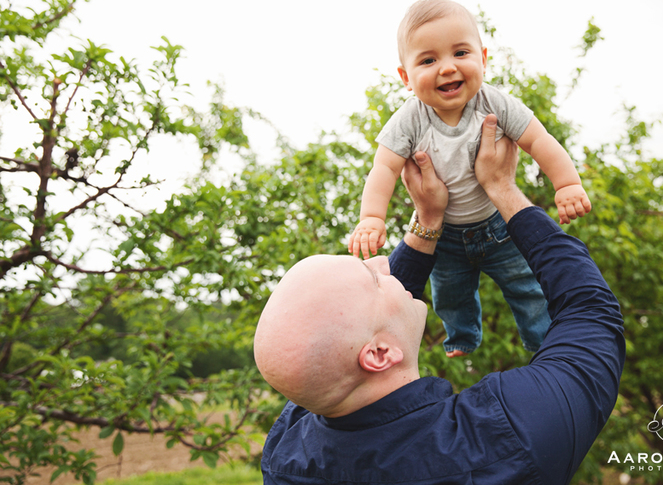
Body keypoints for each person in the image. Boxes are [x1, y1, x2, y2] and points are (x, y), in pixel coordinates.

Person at [254, 115, 625, 485]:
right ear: (379, 354)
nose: (385, 262)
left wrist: (428, 219)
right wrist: (502, 187)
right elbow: (592, 315)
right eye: (372, 278)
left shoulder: (289, 453)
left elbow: (337, 348)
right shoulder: (505, 436)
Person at [348, 0, 592, 357]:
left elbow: (538, 140)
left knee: (526, 286)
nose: (447, 68)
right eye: (428, 60)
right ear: (406, 77)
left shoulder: (496, 104)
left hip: (498, 225)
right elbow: (383, 169)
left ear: (483, 57)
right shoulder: (408, 120)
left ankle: (542, 341)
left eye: (460, 53)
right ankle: (462, 337)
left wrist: (567, 184)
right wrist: (371, 218)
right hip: (444, 235)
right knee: (450, 293)